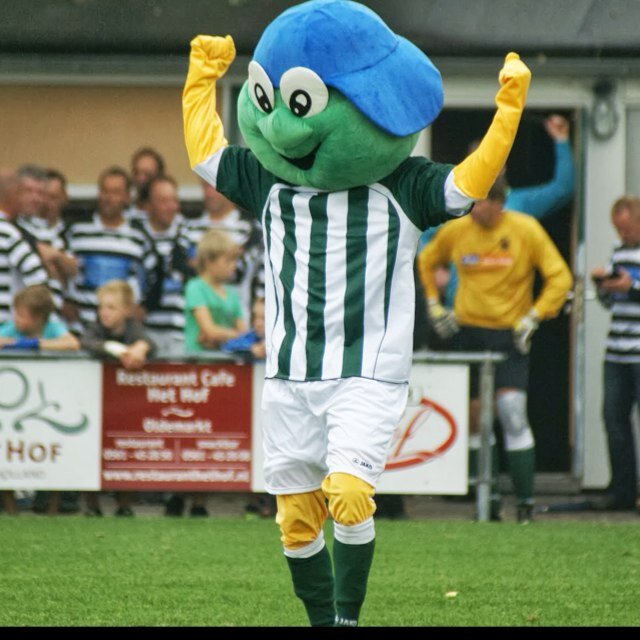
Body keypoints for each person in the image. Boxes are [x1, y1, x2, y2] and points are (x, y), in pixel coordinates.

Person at [182, 0, 530, 627]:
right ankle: (322, 622)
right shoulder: (268, 184)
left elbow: (469, 183)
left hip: (366, 372)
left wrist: (506, 116)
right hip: (289, 374)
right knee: (293, 519)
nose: (287, 134)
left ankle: (347, 617)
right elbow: (207, 156)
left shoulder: (401, 187)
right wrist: (200, 79)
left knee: (347, 494)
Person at [418, 176, 573, 523]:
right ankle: (483, 502)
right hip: (467, 332)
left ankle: (525, 504)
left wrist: (535, 316)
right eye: (472, 202)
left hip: (508, 335)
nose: (475, 209)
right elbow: (426, 261)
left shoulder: (525, 229)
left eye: (483, 202)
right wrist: (434, 306)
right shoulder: (457, 230)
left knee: (512, 412)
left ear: (500, 202)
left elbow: (560, 277)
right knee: (475, 419)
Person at [80, 279, 157, 517]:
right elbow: (87, 343)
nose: (104, 312)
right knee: (90, 448)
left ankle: (124, 504)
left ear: (126, 311)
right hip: (93, 396)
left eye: (111, 307)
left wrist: (141, 347)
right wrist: (119, 350)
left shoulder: (133, 328)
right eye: (102, 307)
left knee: (127, 447)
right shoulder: (94, 328)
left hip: (125, 401)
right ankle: (92, 506)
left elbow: (150, 344)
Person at [62, 166, 159, 335]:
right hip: (79, 329)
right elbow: (60, 271)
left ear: (127, 197)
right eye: (104, 191)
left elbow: (155, 277)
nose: (108, 198)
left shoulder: (139, 236)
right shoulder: (77, 230)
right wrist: (63, 301)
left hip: (122, 333)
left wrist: (143, 308)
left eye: (115, 192)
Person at [590, 195, 640, 512]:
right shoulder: (619, 252)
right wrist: (603, 287)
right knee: (613, 419)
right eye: (618, 230)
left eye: (626, 229)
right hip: (616, 351)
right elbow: (609, 304)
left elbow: (631, 293)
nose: (622, 235)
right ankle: (622, 490)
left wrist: (631, 289)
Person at [185, 179, 264, 324]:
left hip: (241, 316)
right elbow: (181, 270)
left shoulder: (251, 230)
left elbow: (239, 273)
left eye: (213, 187)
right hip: (196, 319)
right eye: (204, 186)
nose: (208, 193)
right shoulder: (188, 228)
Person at [132, 175, 193, 356]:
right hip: (143, 332)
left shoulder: (190, 233)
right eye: (163, 201)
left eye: (174, 200)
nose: (172, 207)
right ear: (148, 205)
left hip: (181, 331)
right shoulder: (134, 234)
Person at [183, 228, 246, 353]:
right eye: (228, 261)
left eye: (235, 260)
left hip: (226, 362)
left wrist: (217, 335)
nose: (234, 266)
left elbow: (243, 334)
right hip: (198, 362)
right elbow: (210, 331)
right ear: (208, 262)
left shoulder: (232, 294)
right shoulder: (195, 287)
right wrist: (231, 335)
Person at [0, 168, 50, 324]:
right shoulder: (7, 232)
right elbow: (37, 277)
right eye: (22, 193)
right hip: (6, 330)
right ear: (12, 195)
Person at [126, 146, 167, 222]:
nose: (140, 179)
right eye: (136, 173)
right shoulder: (123, 215)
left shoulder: (169, 216)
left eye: (148, 174)